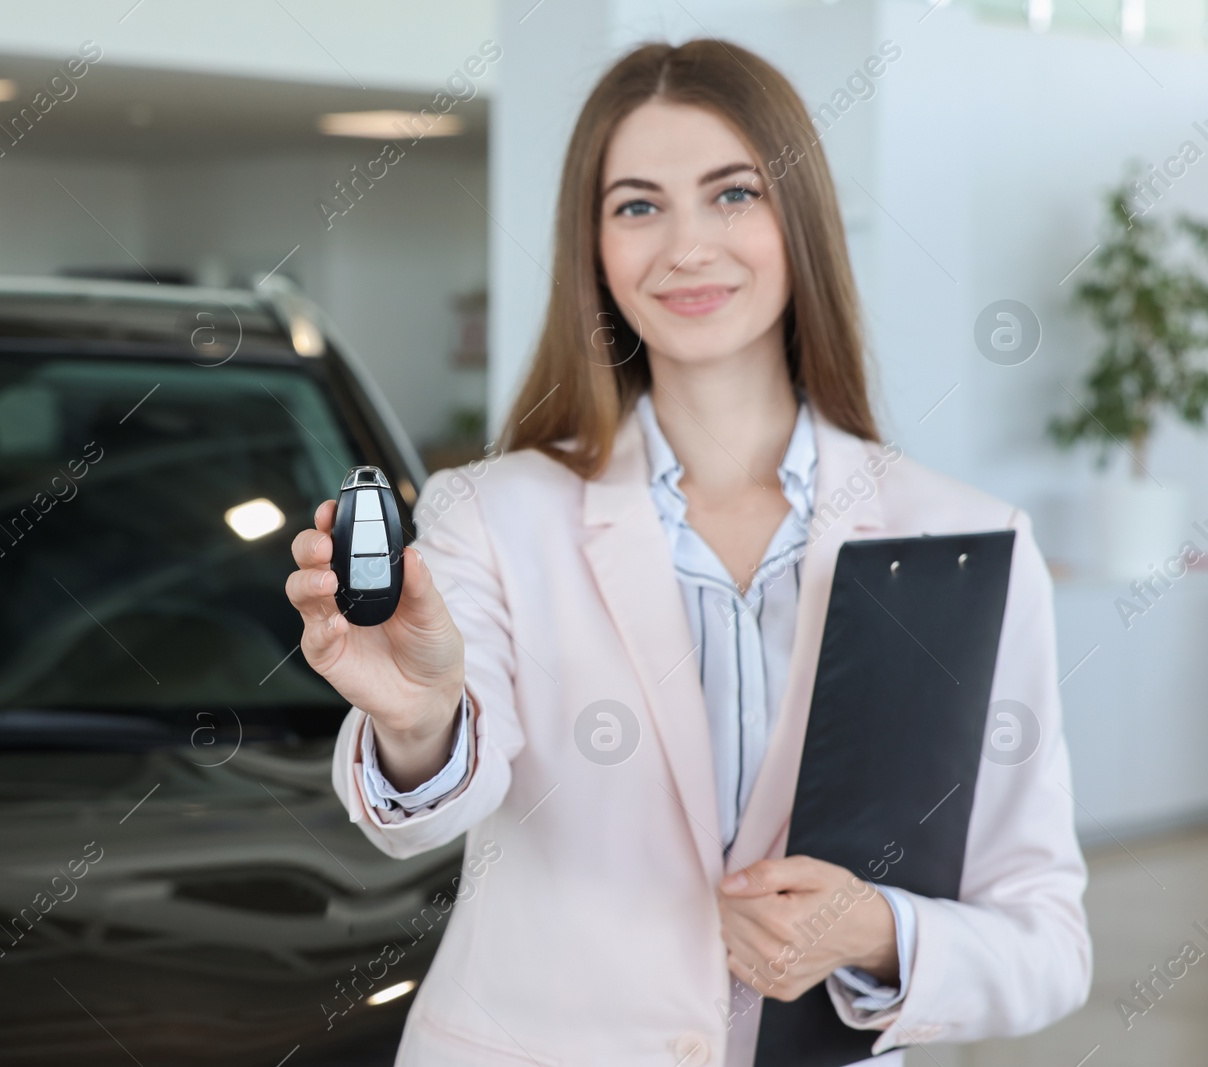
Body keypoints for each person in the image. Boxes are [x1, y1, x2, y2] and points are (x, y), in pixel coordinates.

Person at [285, 39, 1091, 1067]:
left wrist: (878, 932)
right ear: (593, 246)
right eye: (636, 205)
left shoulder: (965, 540)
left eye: (732, 194)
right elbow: (427, 806)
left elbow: (1047, 938)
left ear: (797, 220)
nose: (685, 246)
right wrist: (416, 719)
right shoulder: (489, 512)